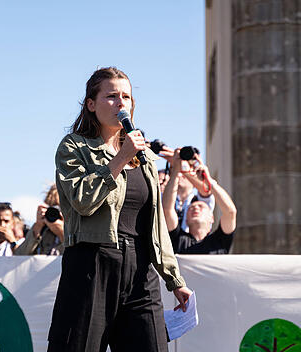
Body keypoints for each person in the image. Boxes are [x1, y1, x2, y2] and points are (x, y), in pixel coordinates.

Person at [48, 67, 192, 352]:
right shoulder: (74, 147)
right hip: (92, 263)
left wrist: (174, 279)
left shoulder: (145, 157)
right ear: (91, 104)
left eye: (126, 96)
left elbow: (155, 224)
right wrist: (119, 159)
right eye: (111, 96)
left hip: (140, 270)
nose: (121, 102)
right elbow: (83, 201)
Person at [162, 149, 237, 254]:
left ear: (212, 217)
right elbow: (167, 209)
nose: (195, 208)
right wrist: (175, 171)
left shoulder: (220, 241)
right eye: (191, 208)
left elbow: (230, 212)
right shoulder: (178, 239)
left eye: (201, 207)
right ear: (186, 220)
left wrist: (209, 180)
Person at [14, 184, 64, 255]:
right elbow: (19, 256)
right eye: (52, 207)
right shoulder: (42, 228)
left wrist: (62, 234)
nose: (55, 212)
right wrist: (37, 228)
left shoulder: (77, 229)